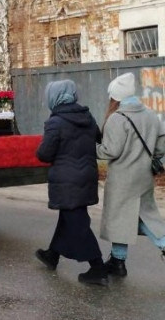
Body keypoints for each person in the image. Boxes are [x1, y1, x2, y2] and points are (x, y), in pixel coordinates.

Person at [34, 80, 107, 286]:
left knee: (77, 223)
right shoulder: (88, 117)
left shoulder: (55, 122)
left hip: (66, 180)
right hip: (86, 176)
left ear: (54, 97)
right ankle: (52, 255)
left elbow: (44, 154)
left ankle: (98, 267)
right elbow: (98, 138)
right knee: (69, 216)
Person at [97, 72, 165, 277]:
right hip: (144, 177)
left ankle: (122, 260)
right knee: (141, 216)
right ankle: (118, 262)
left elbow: (110, 151)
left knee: (123, 218)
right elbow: (161, 147)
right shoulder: (150, 114)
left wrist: (92, 148)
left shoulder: (117, 118)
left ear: (115, 96)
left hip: (122, 180)